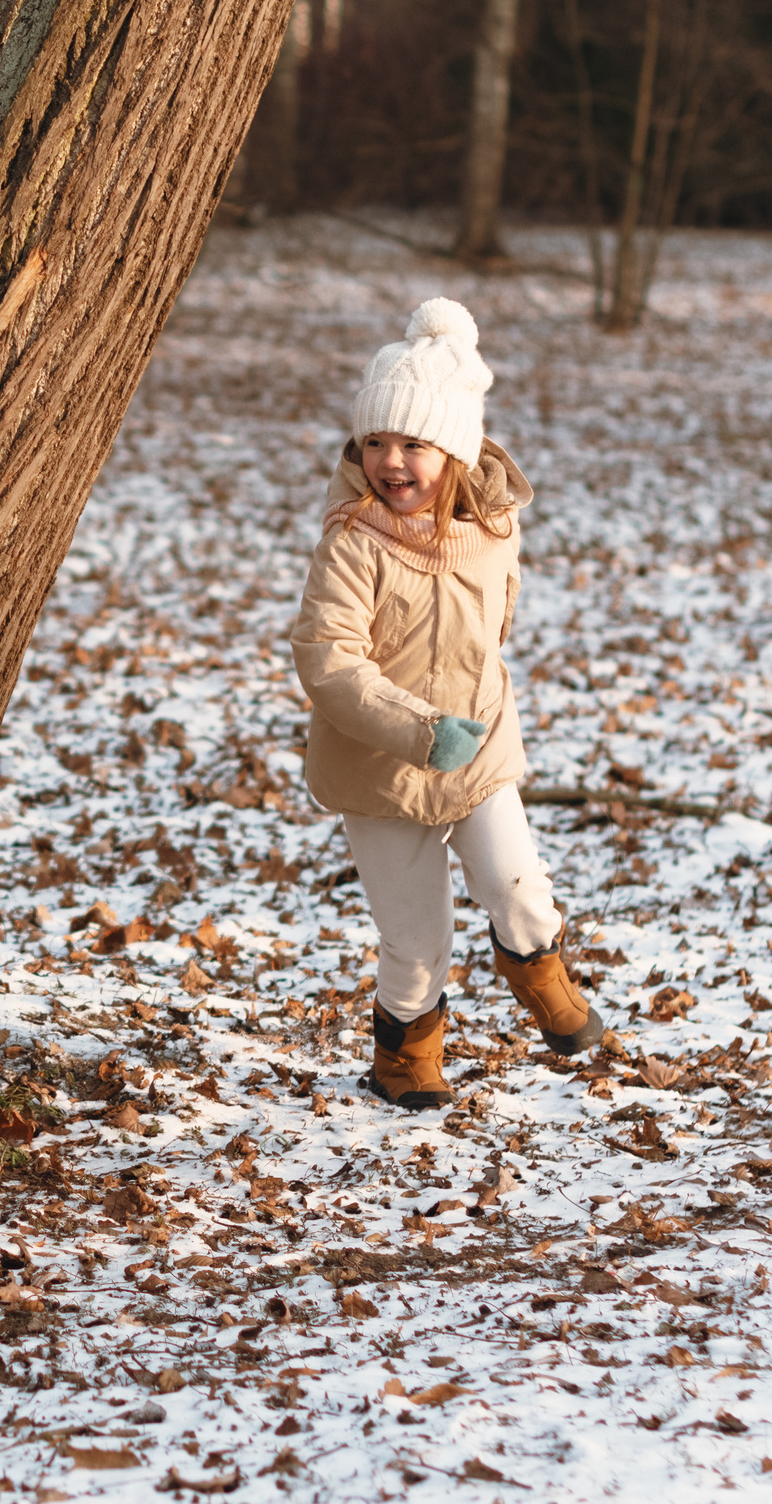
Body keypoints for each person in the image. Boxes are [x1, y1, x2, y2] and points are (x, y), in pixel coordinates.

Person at [288, 297, 603, 1111]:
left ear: (455, 451)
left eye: (415, 443)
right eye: (377, 441)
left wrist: (469, 717)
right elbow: (327, 658)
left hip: (479, 750)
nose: (392, 460)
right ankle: (405, 1055)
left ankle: (539, 972)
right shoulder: (353, 540)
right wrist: (420, 730)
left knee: (519, 886)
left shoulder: (493, 525)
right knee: (418, 942)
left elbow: (500, 614)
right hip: (382, 769)